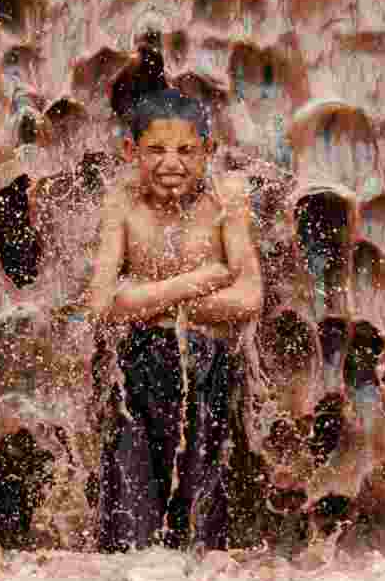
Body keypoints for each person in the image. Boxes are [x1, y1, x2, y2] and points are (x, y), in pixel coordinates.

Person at [87, 89, 263, 552]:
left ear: (209, 151)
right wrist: (196, 282)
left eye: (186, 151)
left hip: (209, 367)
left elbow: (249, 296)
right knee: (128, 524)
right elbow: (101, 303)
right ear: (131, 152)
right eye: (155, 150)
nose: (171, 163)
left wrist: (146, 302)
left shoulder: (228, 198)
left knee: (203, 523)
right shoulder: (121, 202)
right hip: (136, 370)